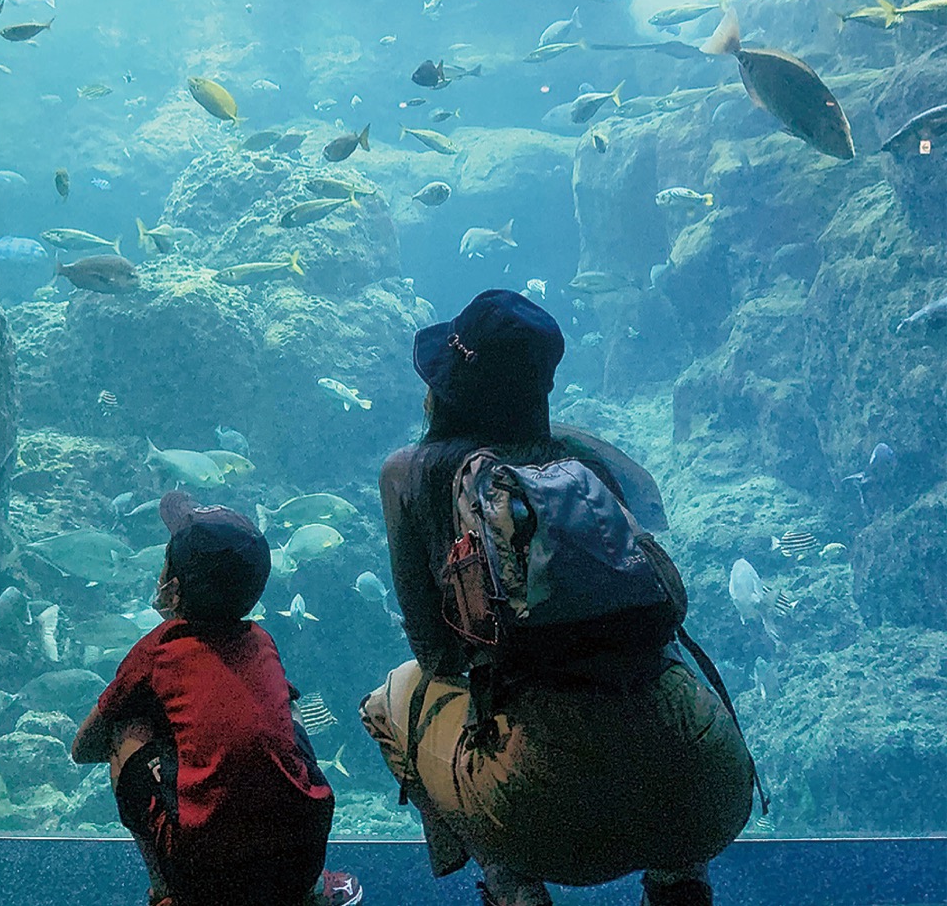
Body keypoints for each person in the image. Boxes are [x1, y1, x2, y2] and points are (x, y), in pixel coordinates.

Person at [360, 289, 757, 906]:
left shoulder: (409, 473)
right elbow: (663, 601)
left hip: (542, 810)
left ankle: (509, 880)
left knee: (389, 700)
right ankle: (682, 880)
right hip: (708, 786)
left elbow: (438, 656)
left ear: (446, 388)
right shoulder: (589, 459)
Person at [72, 491, 362, 906]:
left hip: (201, 868)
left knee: (126, 725)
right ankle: (305, 892)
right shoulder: (262, 640)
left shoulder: (157, 649)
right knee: (285, 708)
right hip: (303, 853)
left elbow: (84, 748)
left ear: (171, 588)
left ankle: (165, 892)